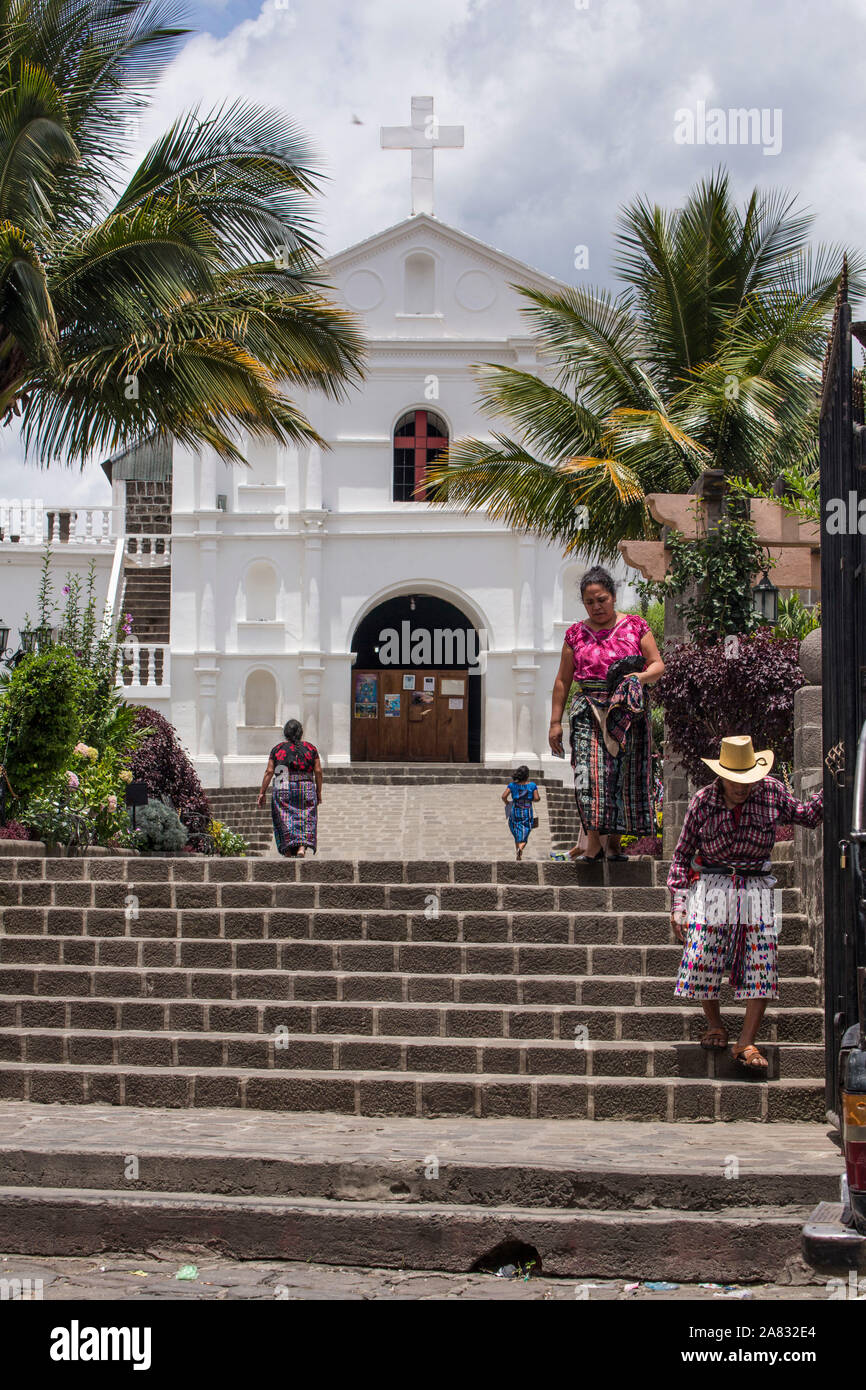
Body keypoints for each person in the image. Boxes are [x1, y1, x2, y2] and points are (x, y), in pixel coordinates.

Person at [668, 734, 823, 1072]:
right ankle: (715, 1024)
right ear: (721, 776)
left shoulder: (771, 791)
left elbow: (807, 815)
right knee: (703, 956)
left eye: (748, 781)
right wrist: (678, 903)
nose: (742, 788)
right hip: (713, 883)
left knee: (762, 961)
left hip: (756, 885)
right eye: (736, 781)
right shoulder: (702, 802)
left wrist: (833, 775)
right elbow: (681, 857)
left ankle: (746, 1040)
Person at [548, 566, 664, 862]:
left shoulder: (636, 626)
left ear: (613, 596)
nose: (597, 606)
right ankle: (593, 844)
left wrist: (638, 678)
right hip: (588, 709)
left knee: (622, 777)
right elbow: (563, 680)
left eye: (602, 599)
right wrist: (554, 723)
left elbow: (657, 665)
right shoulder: (575, 634)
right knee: (590, 775)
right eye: (590, 602)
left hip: (627, 710)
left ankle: (613, 845)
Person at [257, 719, 323, 857]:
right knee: (305, 817)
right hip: (306, 785)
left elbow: (269, 771)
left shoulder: (277, 749)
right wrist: (318, 791)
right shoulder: (311, 748)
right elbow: (318, 771)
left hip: (282, 784)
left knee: (284, 818)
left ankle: (287, 849)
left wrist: (262, 793)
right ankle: (301, 847)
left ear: (285, 733)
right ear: (301, 732)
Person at [501, 766, 541, 861]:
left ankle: (518, 853)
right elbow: (536, 798)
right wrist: (530, 798)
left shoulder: (512, 785)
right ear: (527, 775)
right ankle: (521, 848)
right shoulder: (532, 785)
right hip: (527, 812)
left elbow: (503, 796)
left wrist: (508, 803)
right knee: (525, 832)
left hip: (515, 810)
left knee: (516, 831)